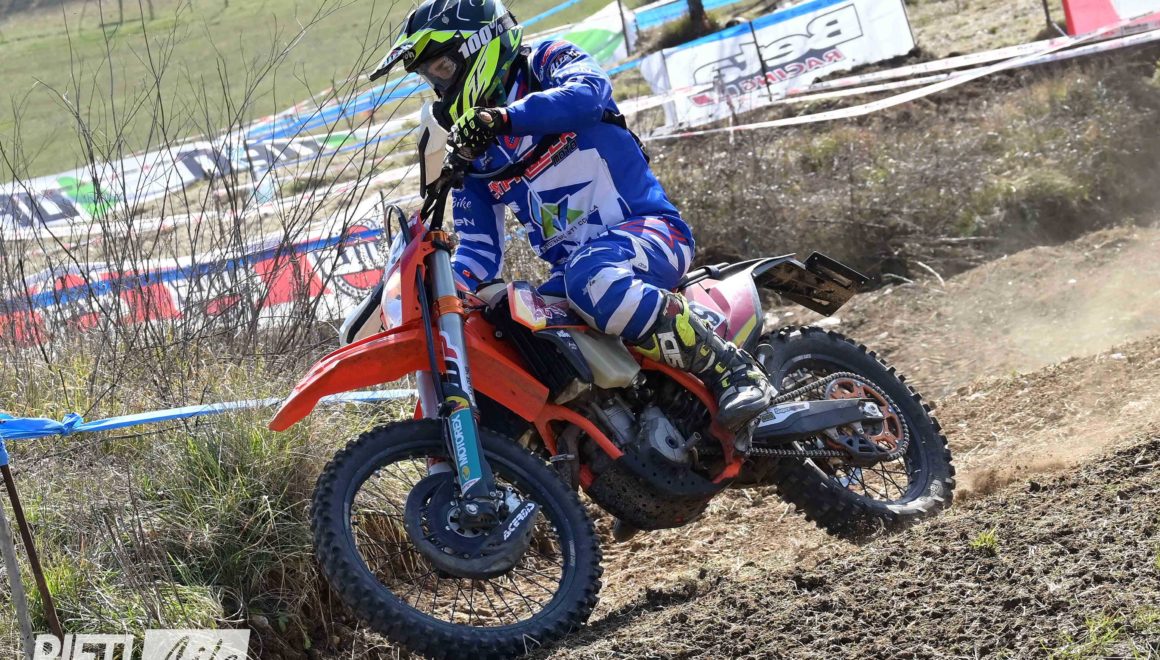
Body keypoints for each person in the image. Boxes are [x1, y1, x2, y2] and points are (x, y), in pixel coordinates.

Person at [374, 0, 775, 431]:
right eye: (429, 77)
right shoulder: (476, 150)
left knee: (590, 275)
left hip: (652, 233)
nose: (439, 85)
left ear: (478, 46)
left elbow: (588, 94)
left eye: (442, 68)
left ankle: (733, 369)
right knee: (511, 328)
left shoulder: (547, 61)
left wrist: (503, 118)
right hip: (573, 278)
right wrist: (437, 294)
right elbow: (478, 253)